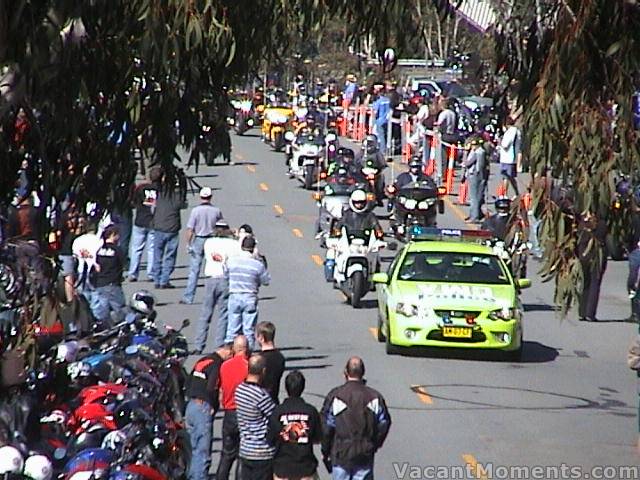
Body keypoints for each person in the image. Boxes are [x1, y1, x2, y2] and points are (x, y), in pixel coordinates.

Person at [321, 357, 391, 479]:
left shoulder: (336, 396)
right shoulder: (374, 397)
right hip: (364, 454)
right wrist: (374, 443)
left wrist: (325, 450)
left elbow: (327, 426)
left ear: (345, 373)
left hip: (341, 454)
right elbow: (384, 423)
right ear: (363, 373)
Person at [185, 345, 233, 480]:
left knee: (193, 448)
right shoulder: (217, 365)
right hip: (203, 407)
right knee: (203, 451)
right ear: (227, 351)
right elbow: (212, 387)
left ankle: (192, 476)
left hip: (191, 405)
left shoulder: (203, 360)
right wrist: (213, 405)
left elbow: (188, 382)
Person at [192, 220, 240, 354]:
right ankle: (219, 344)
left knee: (205, 313)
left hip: (210, 279)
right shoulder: (233, 244)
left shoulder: (209, 242)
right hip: (225, 279)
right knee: (223, 314)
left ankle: (199, 344)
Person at [267, 371, 322, 480]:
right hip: (305, 467)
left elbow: (270, 439)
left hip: (282, 469)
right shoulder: (310, 411)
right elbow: (317, 437)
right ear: (303, 387)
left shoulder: (277, 412)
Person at [224, 236, 271, 350]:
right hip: (250, 297)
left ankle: (230, 353)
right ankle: (247, 354)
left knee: (232, 329)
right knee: (248, 330)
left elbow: (225, 275)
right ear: (253, 248)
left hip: (234, 295)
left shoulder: (231, 261)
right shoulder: (257, 265)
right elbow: (266, 281)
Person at [235, 354, 277, 480]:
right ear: (263, 371)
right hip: (262, 451)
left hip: (246, 449)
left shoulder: (240, 390)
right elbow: (274, 416)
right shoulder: (260, 395)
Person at [181, 187, 224, 304]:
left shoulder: (195, 211)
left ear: (201, 197)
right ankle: (214, 297)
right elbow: (221, 227)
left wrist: (188, 244)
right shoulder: (216, 211)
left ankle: (188, 297)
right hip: (212, 240)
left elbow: (190, 229)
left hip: (199, 239)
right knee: (213, 269)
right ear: (210, 197)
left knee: (194, 270)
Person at [217, 335, 250, 480]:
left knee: (226, 454)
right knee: (242, 456)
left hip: (229, 412)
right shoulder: (248, 365)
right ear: (246, 348)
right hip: (244, 412)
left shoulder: (225, 366)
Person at [151, 171, 187, 289]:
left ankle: (157, 278)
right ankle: (164, 280)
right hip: (172, 229)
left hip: (159, 228)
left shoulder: (158, 192)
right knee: (170, 256)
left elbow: (150, 205)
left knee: (157, 255)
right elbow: (183, 203)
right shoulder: (176, 195)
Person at [127, 166, 161, 282]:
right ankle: (151, 273)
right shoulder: (161, 189)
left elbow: (134, 202)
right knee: (152, 249)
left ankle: (133, 273)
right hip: (154, 222)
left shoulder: (141, 188)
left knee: (136, 248)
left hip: (140, 220)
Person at [92, 225, 126, 326]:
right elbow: (123, 264)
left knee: (103, 313)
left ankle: (104, 328)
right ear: (113, 235)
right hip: (113, 284)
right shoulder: (117, 250)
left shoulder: (99, 250)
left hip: (100, 284)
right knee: (121, 311)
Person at [576, 212, 607, 322]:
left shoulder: (582, 223)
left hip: (583, 255)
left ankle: (582, 312)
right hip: (596, 256)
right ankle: (590, 313)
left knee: (585, 282)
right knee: (594, 283)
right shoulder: (601, 223)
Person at [256, 321, 286, 403]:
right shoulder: (280, 358)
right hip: (274, 400)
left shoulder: (258, 359)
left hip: (260, 401)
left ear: (261, 338)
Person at [464, 137, 488, 223]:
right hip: (474, 175)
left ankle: (474, 216)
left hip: (475, 176)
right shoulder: (477, 152)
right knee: (473, 197)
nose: (472, 146)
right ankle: (473, 214)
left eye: (474, 145)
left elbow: (468, 163)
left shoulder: (479, 152)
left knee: (474, 197)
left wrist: (465, 152)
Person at [498, 116, 522, 196]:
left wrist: (500, 142)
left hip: (507, 158)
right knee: (511, 178)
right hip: (512, 158)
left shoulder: (510, 132)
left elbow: (505, 145)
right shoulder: (517, 131)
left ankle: (504, 194)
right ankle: (516, 193)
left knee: (506, 177)